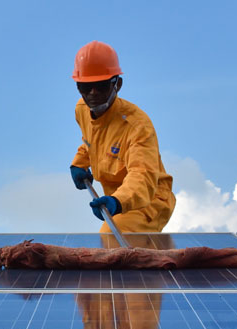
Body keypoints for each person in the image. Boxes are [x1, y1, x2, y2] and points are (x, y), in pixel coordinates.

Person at [69, 41, 175, 234]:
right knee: (117, 247)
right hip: (117, 199)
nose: (92, 94)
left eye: (100, 86)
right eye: (85, 86)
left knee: (110, 237)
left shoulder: (137, 126)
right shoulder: (82, 110)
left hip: (149, 200)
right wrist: (79, 163)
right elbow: (90, 140)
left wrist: (118, 202)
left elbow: (142, 175)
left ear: (117, 84)